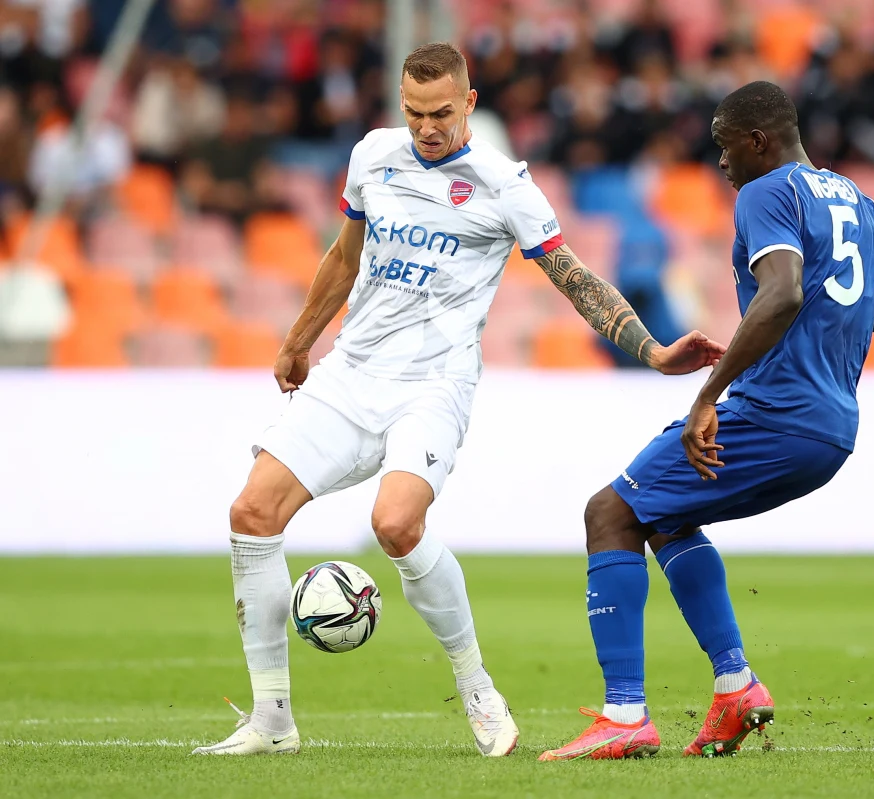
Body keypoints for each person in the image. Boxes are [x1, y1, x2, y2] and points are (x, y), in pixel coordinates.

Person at [191, 42, 724, 758]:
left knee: (395, 523)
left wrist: (652, 350)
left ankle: (477, 688)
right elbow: (345, 256)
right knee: (251, 514)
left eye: (440, 113)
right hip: (352, 372)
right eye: (414, 113)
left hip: (435, 383)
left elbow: (574, 278)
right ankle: (272, 719)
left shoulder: (505, 186)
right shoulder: (373, 156)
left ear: (469, 102)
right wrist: (298, 339)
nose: (426, 127)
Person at [540, 80, 874, 762]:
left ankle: (624, 714)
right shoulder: (861, 201)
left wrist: (707, 395)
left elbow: (780, 292)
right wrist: (837, 307)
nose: (722, 163)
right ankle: (734, 687)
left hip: (775, 411)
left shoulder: (767, 191)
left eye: (726, 148)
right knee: (662, 514)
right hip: (832, 427)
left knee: (609, 513)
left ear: (759, 141)